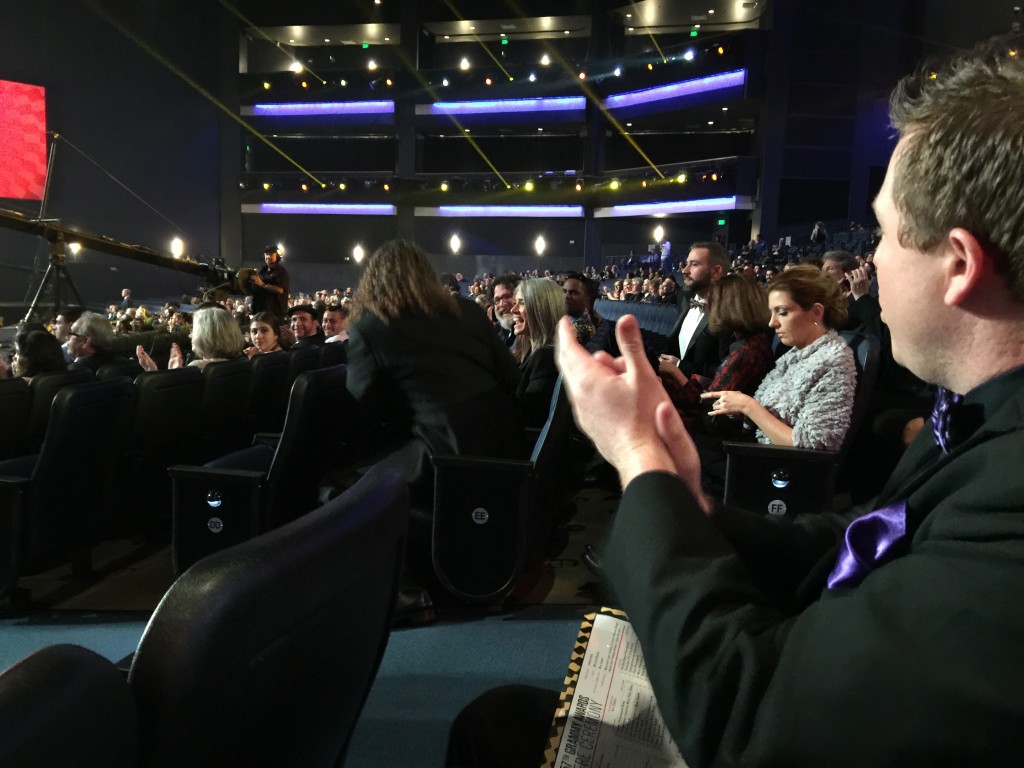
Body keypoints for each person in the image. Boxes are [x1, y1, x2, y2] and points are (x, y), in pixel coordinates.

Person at [448, 33, 1024, 768]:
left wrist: (638, 457)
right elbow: (862, 541)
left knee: (494, 734)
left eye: (882, 232)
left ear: (959, 265)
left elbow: (753, 723)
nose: (871, 259)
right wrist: (693, 506)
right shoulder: (983, 420)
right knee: (502, 720)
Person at [345, 239, 523, 501]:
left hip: (441, 455)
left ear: (373, 280)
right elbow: (512, 377)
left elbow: (363, 406)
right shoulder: (469, 310)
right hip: (505, 441)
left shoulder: (371, 327)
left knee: (344, 481)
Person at [700, 264, 857, 452]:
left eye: (782, 312)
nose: (772, 322)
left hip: (771, 469)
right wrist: (740, 410)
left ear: (816, 312)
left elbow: (815, 445)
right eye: (772, 312)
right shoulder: (795, 354)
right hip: (750, 451)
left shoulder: (834, 361)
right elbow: (770, 415)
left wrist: (749, 406)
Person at [658, 274, 774, 427]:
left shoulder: (746, 351)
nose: (709, 307)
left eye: (714, 302)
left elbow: (708, 406)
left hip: (718, 437)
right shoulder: (749, 341)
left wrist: (674, 372)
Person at [660, 242, 732, 379]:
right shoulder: (685, 298)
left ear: (716, 271)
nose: (684, 270)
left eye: (694, 264)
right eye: (687, 264)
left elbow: (726, 371)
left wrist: (680, 366)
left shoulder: (729, 314)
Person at [511, 278, 564, 428]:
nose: (513, 310)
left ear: (541, 309)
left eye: (521, 303)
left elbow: (529, 416)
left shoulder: (546, 358)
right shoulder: (532, 351)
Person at [138, 305, 245, 371]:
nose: (190, 335)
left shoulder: (198, 368)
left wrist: (173, 376)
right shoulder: (243, 363)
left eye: (194, 330)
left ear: (206, 335)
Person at [250, 245, 289, 320]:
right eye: (266, 254)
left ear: (277, 256)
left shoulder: (281, 271)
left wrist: (263, 285)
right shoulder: (263, 270)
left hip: (274, 315)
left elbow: (280, 290)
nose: (268, 257)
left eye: (271, 254)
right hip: (259, 312)